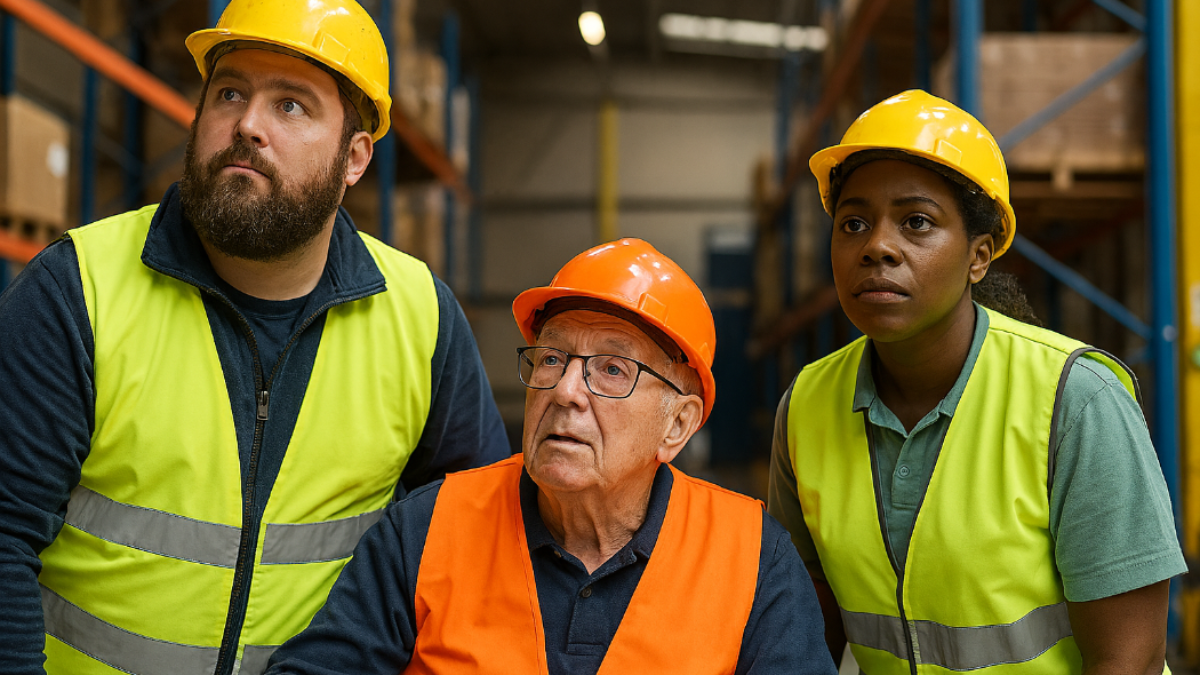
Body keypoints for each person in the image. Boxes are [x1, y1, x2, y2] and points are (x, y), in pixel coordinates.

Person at [0, 1, 509, 673]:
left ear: (354, 158)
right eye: (230, 92)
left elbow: (478, 546)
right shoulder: (79, 291)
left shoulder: (421, 319)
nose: (246, 125)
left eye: (291, 106)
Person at [263, 238, 837, 675]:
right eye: (552, 358)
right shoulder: (427, 528)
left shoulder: (752, 556)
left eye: (612, 369)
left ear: (678, 425)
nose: (566, 390)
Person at [768, 89, 1187, 673]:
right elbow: (806, 638)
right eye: (853, 223)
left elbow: (1130, 663)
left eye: (917, 222)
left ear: (979, 256)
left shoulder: (1075, 399)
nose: (877, 247)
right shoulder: (807, 406)